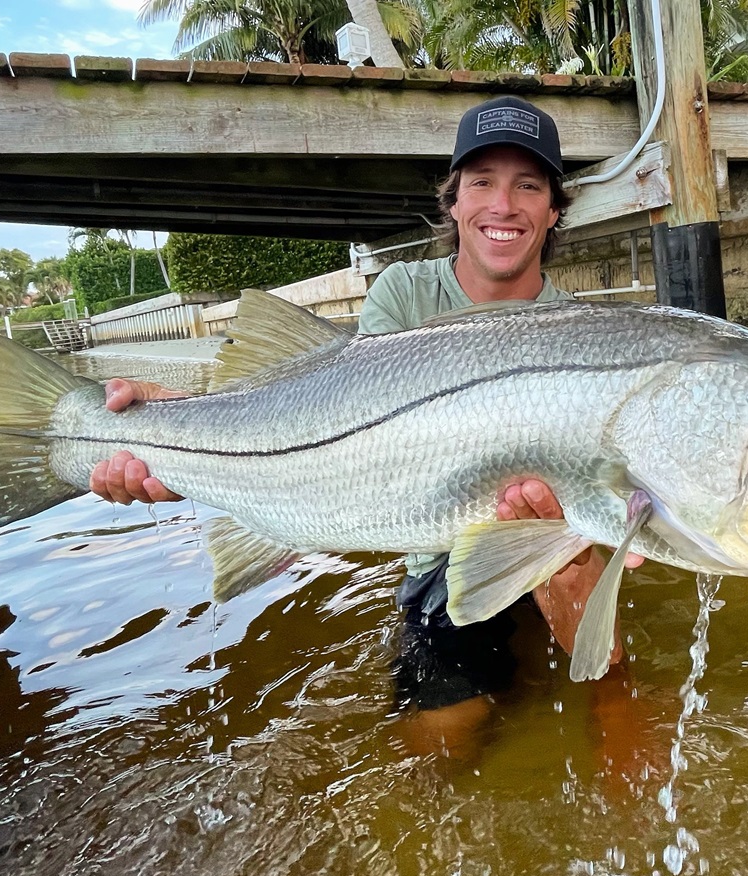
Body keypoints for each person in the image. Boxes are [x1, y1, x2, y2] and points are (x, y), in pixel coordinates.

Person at [90, 97, 646, 764]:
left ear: (554, 210)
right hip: (438, 548)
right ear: (454, 202)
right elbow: (333, 410)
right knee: (442, 746)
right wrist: (179, 424)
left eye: (529, 185)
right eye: (482, 182)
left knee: (602, 644)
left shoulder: (580, 330)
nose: (505, 204)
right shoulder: (404, 293)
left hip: (556, 547)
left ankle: (615, 699)